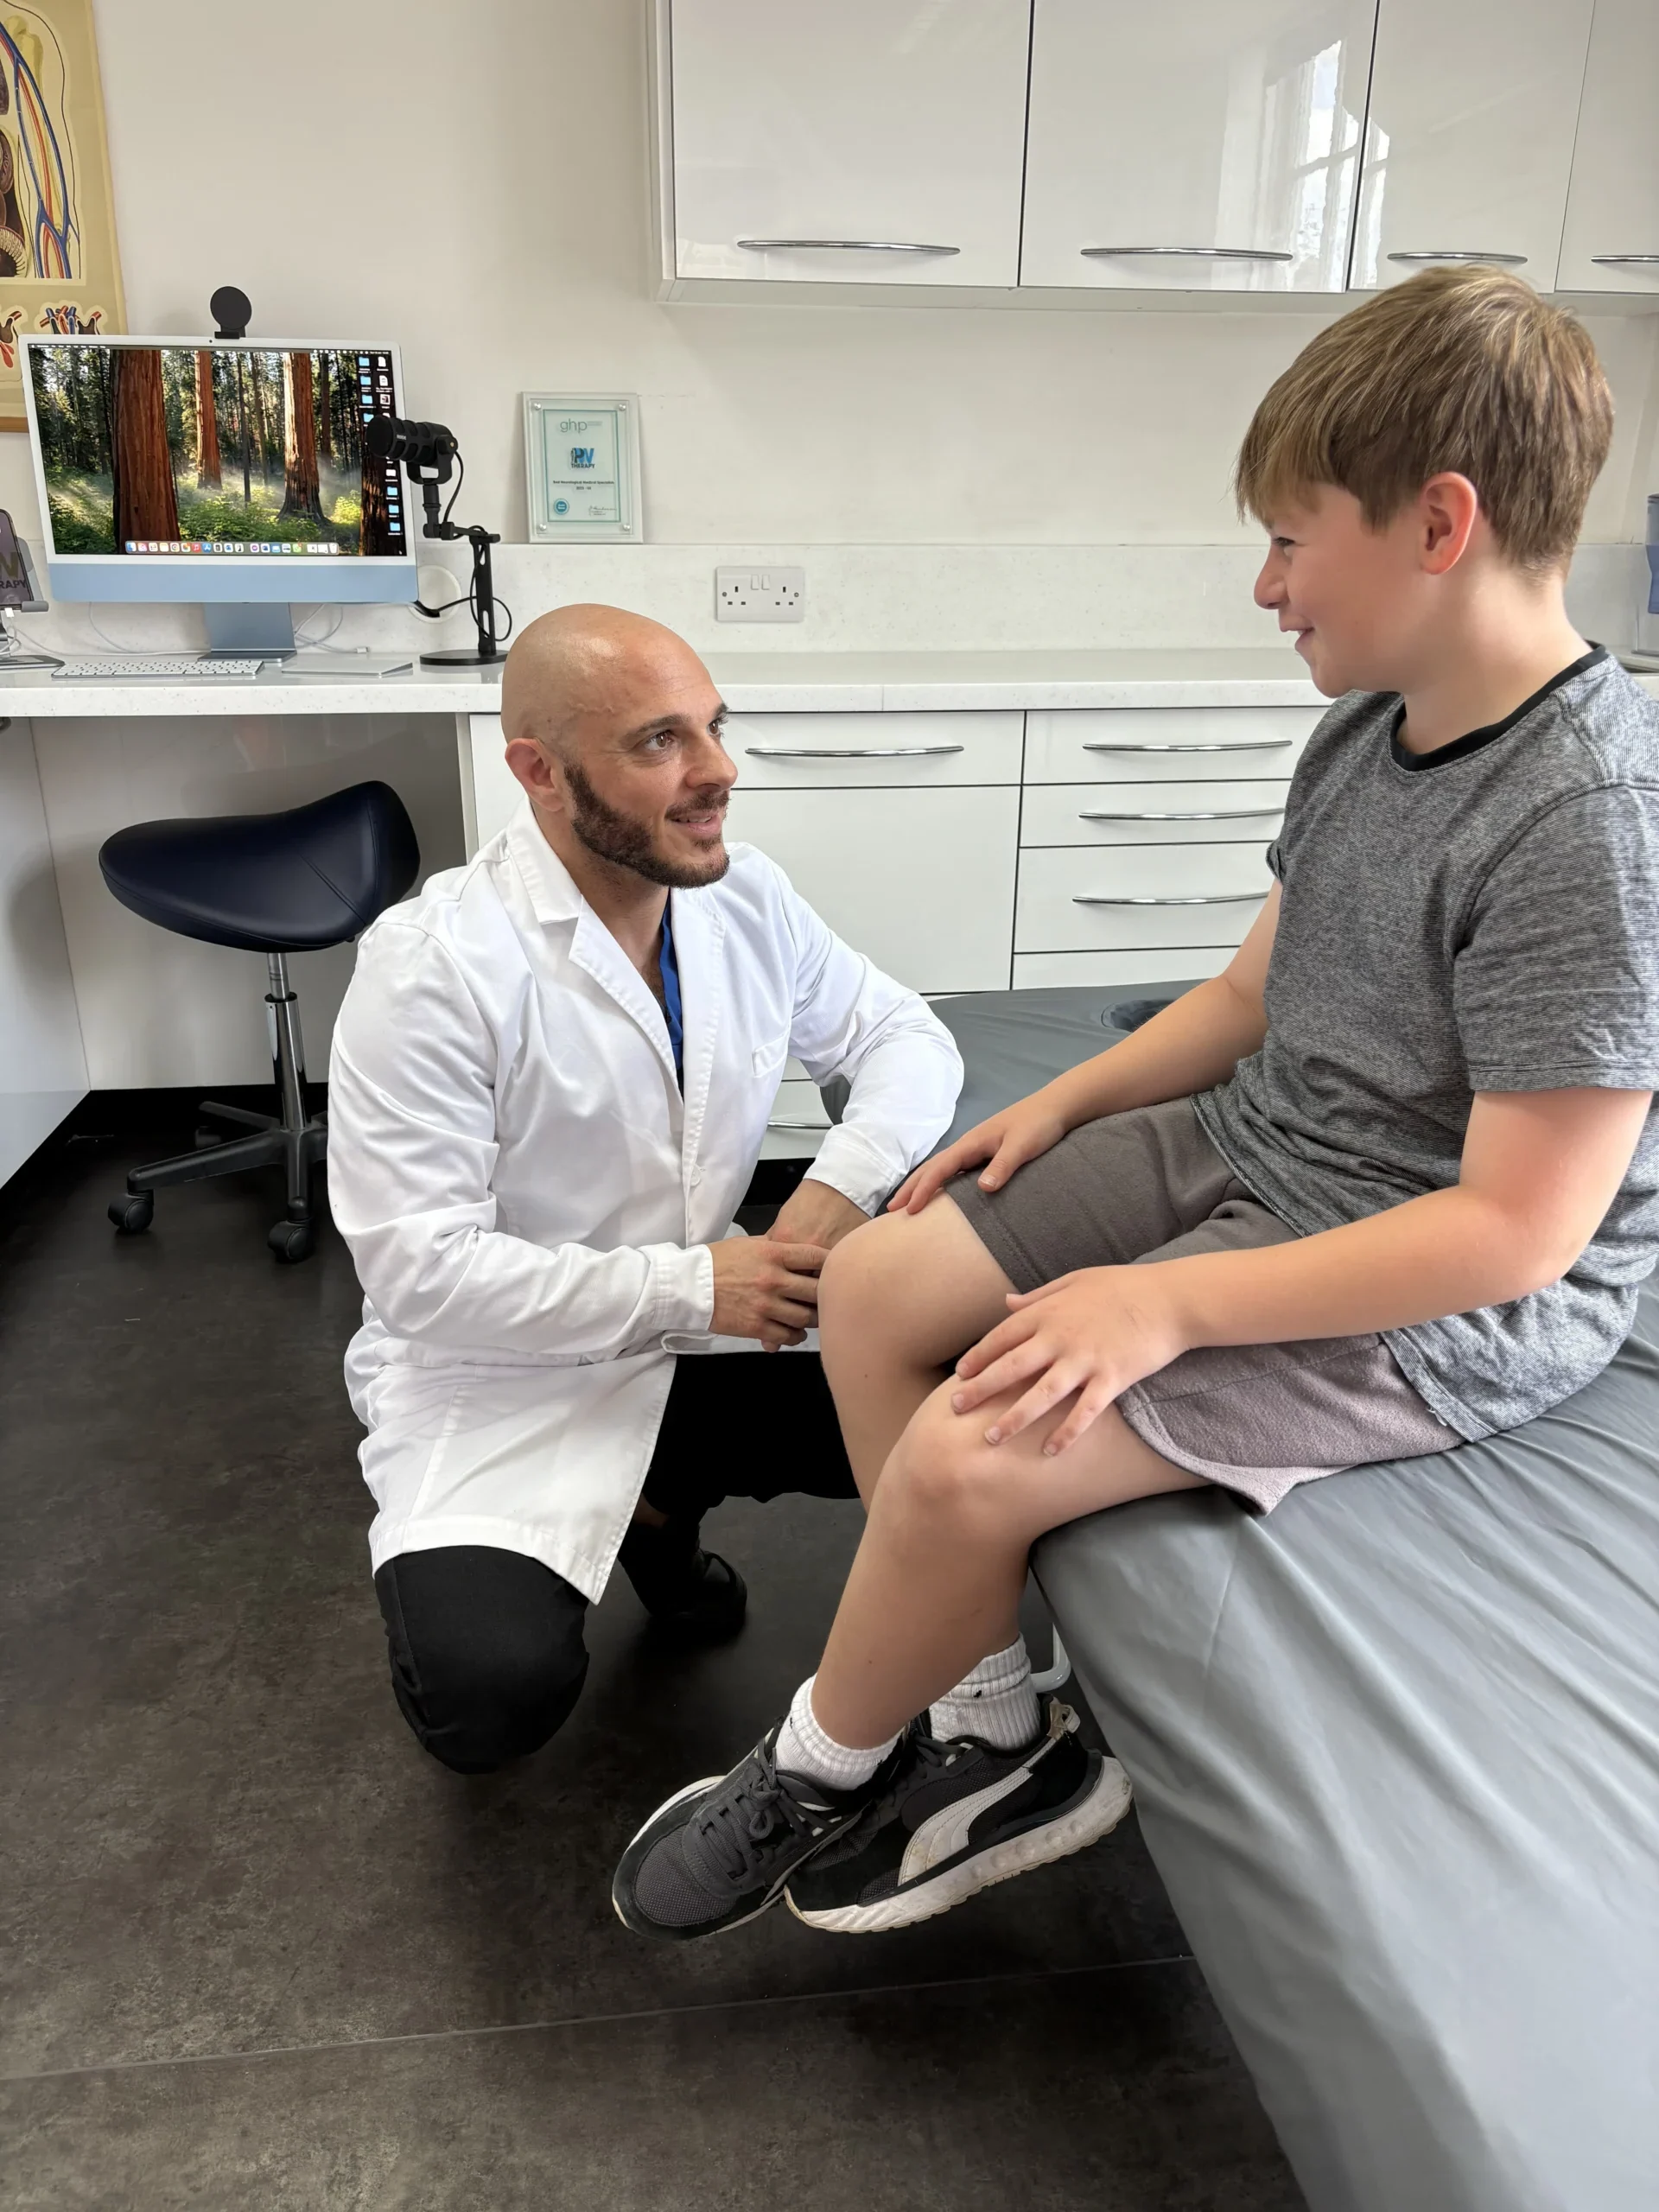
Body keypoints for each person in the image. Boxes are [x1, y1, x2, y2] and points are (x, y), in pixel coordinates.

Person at [613, 267, 1659, 1943]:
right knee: (878, 1283)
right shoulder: (1375, 730)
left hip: (1438, 1290)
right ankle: (990, 1724)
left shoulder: (1585, 816)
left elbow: (1516, 1229)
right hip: (1267, 1150)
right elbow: (1252, 994)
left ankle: (823, 1756)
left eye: (1291, 540)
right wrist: (1060, 1109)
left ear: (1440, 523)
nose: (1265, 585)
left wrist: (1160, 1301)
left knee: (971, 1452)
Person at [327, 604, 963, 1773]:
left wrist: (833, 1194)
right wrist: (691, 1287)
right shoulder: (434, 969)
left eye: (714, 729)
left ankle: (662, 1502)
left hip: (722, 1319)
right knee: (488, 1701)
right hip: (505, 1374)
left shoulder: (743, 898)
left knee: (970, 1422)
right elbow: (421, 1275)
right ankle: (643, 1508)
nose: (717, 772)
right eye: (660, 742)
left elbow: (909, 1042)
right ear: (538, 772)